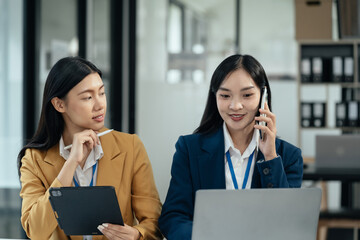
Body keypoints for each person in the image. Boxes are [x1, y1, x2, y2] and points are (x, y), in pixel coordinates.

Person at [158, 54, 303, 240]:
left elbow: (289, 222)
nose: (235, 106)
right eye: (225, 95)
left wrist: (270, 158)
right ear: (215, 97)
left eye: (247, 95)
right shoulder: (189, 149)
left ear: (263, 96)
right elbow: (173, 218)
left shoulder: (287, 157)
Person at [18, 57, 163, 240]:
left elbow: (154, 222)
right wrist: (71, 164)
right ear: (59, 104)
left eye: (102, 93)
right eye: (88, 97)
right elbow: (35, 231)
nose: (100, 104)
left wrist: (136, 234)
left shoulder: (130, 147)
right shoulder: (34, 159)